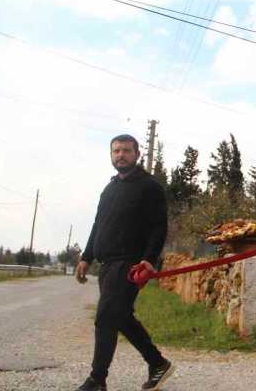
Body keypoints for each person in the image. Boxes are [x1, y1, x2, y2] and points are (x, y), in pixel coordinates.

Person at [74, 134, 174, 391]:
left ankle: (97, 379)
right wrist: (87, 257)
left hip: (129, 264)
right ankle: (157, 363)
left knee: (106, 319)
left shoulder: (149, 187)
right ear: (111, 155)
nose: (121, 155)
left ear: (137, 154)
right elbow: (98, 225)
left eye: (126, 150)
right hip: (107, 265)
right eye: (116, 151)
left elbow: (158, 227)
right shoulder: (109, 189)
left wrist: (149, 260)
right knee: (121, 317)